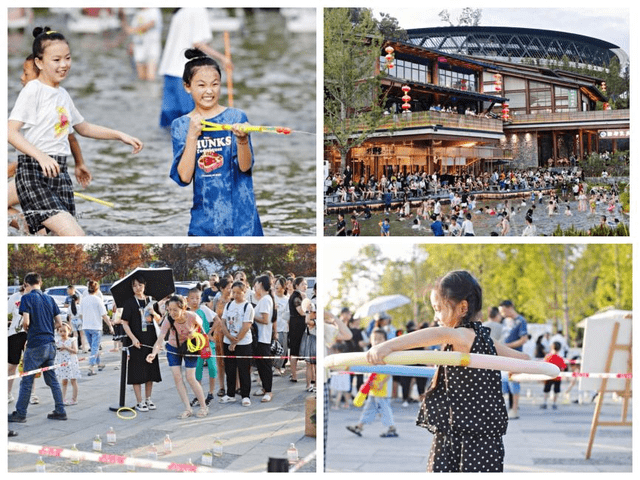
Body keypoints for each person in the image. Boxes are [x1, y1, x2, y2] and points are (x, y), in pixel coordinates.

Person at [366, 271, 529, 472]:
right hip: (474, 434)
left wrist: (387, 346)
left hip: (468, 438)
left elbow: (439, 333)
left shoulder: (463, 336)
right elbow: (522, 360)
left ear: (462, 307)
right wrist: (527, 367)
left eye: (438, 309)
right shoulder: (483, 338)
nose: (435, 317)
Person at [8, 28, 143, 236]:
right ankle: (32, 230)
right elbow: (10, 131)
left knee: (56, 240)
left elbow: (83, 128)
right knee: (76, 237)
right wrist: (41, 157)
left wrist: (120, 135)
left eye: (67, 58)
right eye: (56, 60)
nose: (64, 65)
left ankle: (33, 232)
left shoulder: (62, 94)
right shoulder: (33, 90)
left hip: (59, 174)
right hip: (35, 173)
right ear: (39, 63)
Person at [170, 49, 262, 236]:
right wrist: (192, 137)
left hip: (242, 221)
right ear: (187, 86)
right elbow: (185, 178)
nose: (209, 91)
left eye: (215, 84)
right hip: (204, 222)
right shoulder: (181, 125)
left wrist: (242, 139)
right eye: (201, 85)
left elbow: (245, 167)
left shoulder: (236, 117)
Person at [158, 8, 232, 127]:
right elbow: (198, 44)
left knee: (169, 124)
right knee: (192, 123)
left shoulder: (181, 10)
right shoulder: (199, 9)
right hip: (185, 73)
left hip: (169, 71)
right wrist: (223, 58)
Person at [8, 272, 67, 423]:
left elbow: (26, 322)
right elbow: (59, 323)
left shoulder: (26, 297)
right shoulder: (50, 298)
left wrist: (28, 329)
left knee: (27, 380)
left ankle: (20, 413)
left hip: (35, 344)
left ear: (26, 284)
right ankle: (60, 410)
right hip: (50, 343)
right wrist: (47, 328)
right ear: (40, 283)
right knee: (52, 379)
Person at [147, 295, 208, 419]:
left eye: (175, 310)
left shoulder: (192, 317)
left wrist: (194, 334)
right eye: (169, 309)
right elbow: (160, 339)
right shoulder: (168, 320)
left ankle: (203, 406)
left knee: (190, 377)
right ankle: (187, 408)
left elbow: (203, 332)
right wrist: (153, 353)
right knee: (177, 377)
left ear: (183, 308)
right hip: (174, 347)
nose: (172, 313)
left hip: (190, 347)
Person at [120, 274, 163, 412]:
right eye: (134, 285)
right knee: (137, 372)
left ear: (144, 285)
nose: (137, 288)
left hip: (151, 340)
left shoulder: (151, 301)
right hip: (136, 341)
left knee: (150, 371)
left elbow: (159, 320)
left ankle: (148, 399)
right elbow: (125, 323)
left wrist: (153, 312)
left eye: (140, 285)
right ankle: (139, 402)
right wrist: (133, 338)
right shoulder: (129, 302)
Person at [346, 329, 398, 438]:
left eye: (380, 339)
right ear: (370, 340)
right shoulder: (371, 353)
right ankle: (359, 426)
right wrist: (365, 383)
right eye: (375, 339)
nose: (377, 341)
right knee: (369, 408)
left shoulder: (386, 353)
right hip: (373, 388)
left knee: (384, 408)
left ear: (385, 340)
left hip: (382, 388)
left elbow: (389, 370)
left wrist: (382, 382)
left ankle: (391, 428)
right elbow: (369, 371)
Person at [219, 281, 255, 406]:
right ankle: (230, 394)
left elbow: (246, 326)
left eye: (238, 293)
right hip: (228, 341)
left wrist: (236, 341)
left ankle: (245, 395)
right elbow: (223, 322)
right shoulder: (229, 305)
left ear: (244, 292)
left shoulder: (248, 306)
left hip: (243, 342)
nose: (235, 295)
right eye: (233, 292)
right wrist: (228, 336)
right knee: (229, 368)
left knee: (244, 369)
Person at [187, 287, 218, 407]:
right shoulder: (187, 312)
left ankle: (210, 393)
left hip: (207, 343)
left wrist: (210, 334)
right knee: (197, 370)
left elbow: (218, 320)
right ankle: (198, 394)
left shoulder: (204, 309)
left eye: (197, 298)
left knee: (212, 367)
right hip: (194, 345)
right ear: (188, 299)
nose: (195, 300)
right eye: (192, 298)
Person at [498, 299, 529, 419]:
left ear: (510, 307)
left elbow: (523, 339)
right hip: (503, 355)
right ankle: (504, 409)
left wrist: (507, 346)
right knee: (503, 383)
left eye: (504, 311)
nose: (502, 314)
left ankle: (515, 409)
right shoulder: (505, 321)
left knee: (513, 382)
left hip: (515, 355)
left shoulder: (520, 321)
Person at [79, 281, 114, 376]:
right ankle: (91, 366)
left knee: (93, 347)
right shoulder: (98, 300)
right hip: (96, 327)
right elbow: (104, 315)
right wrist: (110, 326)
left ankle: (99, 364)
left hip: (86, 326)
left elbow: (80, 315)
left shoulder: (84, 300)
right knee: (95, 347)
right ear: (97, 289)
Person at [123, 8, 162, 81]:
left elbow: (149, 25)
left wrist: (132, 30)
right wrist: (131, 44)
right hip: (139, 48)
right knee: (141, 78)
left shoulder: (154, 10)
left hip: (152, 48)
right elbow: (134, 33)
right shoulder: (137, 13)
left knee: (151, 77)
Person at [252, 275, 274, 402]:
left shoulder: (266, 299)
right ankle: (264, 388)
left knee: (265, 365)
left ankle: (269, 391)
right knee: (260, 364)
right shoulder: (263, 299)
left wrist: (252, 316)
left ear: (261, 284)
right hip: (259, 338)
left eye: (256, 284)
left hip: (263, 338)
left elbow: (266, 320)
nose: (255, 286)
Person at [212, 278, 232, 396]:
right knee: (220, 362)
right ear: (222, 288)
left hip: (230, 333)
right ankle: (221, 387)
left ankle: (236, 385)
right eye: (228, 288)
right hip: (219, 333)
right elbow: (213, 316)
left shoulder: (233, 300)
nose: (230, 290)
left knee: (232, 360)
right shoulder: (216, 300)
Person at [8, 285, 27, 404]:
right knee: (12, 365)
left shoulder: (35, 297)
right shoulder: (15, 297)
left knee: (30, 365)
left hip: (30, 333)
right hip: (15, 333)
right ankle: (8, 393)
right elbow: (7, 312)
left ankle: (32, 393)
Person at [54, 322, 81, 406]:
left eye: (64, 331)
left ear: (69, 331)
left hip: (72, 363)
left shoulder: (72, 340)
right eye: (60, 331)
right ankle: (63, 399)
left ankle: (74, 399)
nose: (62, 333)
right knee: (64, 381)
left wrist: (66, 347)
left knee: (73, 381)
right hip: (62, 363)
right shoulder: (57, 341)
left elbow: (75, 351)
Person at [288, 277, 308, 383]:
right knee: (295, 350)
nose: (305, 286)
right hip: (296, 325)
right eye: (303, 284)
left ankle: (295, 375)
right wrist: (306, 301)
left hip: (299, 324)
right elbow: (301, 311)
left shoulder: (298, 296)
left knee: (297, 350)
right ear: (296, 286)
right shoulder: (296, 297)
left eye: (306, 284)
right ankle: (294, 375)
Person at [540, 342, 567, 410]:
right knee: (556, 391)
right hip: (557, 377)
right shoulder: (560, 358)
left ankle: (545, 403)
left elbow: (544, 366)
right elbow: (563, 368)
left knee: (546, 390)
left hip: (548, 376)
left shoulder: (548, 357)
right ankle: (554, 403)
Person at [273, 276, 290, 375]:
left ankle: (278, 367)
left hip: (283, 328)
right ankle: (274, 367)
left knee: (283, 349)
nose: (276, 286)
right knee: (273, 349)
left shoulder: (287, 300)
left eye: (279, 284)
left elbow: (288, 315)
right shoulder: (271, 298)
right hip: (273, 328)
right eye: (276, 284)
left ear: (284, 287)